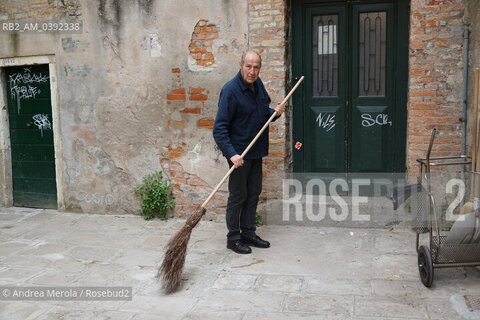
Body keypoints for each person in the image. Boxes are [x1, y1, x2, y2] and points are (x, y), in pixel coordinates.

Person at [213, 50, 285, 254]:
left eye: (256, 67)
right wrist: (231, 154)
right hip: (239, 155)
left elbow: (262, 115)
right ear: (241, 64)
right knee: (238, 195)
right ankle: (233, 238)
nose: (252, 71)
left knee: (253, 193)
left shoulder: (258, 86)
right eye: (248, 66)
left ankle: (248, 233)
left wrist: (275, 114)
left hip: (256, 151)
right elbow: (219, 128)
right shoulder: (230, 90)